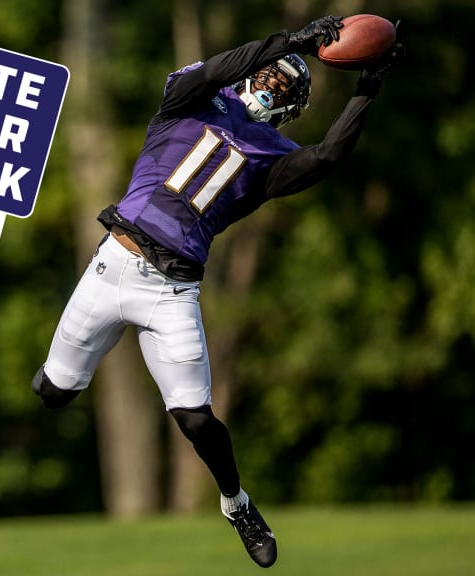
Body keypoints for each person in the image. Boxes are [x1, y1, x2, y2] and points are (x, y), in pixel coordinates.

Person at [32, 16, 404, 568]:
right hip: (114, 264)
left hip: (173, 292)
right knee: (53, 393)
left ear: (291, 108)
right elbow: (218, 69)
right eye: (269, 77)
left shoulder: (271, 156)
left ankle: (237, 504)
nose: (270, 90)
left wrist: (366, 89)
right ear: (251, 74)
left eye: (284, 90)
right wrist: (293, 40)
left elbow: (325, 157)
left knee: (196, 418)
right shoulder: (189, 99)